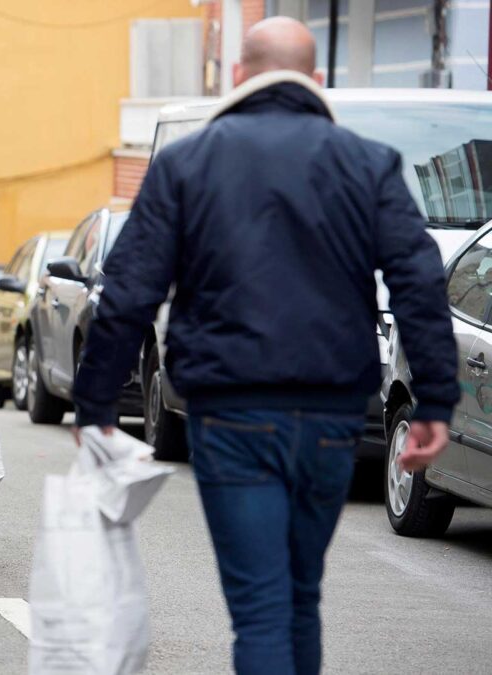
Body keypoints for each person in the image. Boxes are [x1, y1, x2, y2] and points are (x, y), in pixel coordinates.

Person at [71, 17, 458, 675]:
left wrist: (97, 405)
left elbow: (131, 288)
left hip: (232, 410)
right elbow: (419, 279)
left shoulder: (186, 163)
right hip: (334, 413)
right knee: (299, 596)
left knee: (259, 605)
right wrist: (435, 403)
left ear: (241, 76)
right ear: (317, 80)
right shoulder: (368, 163)